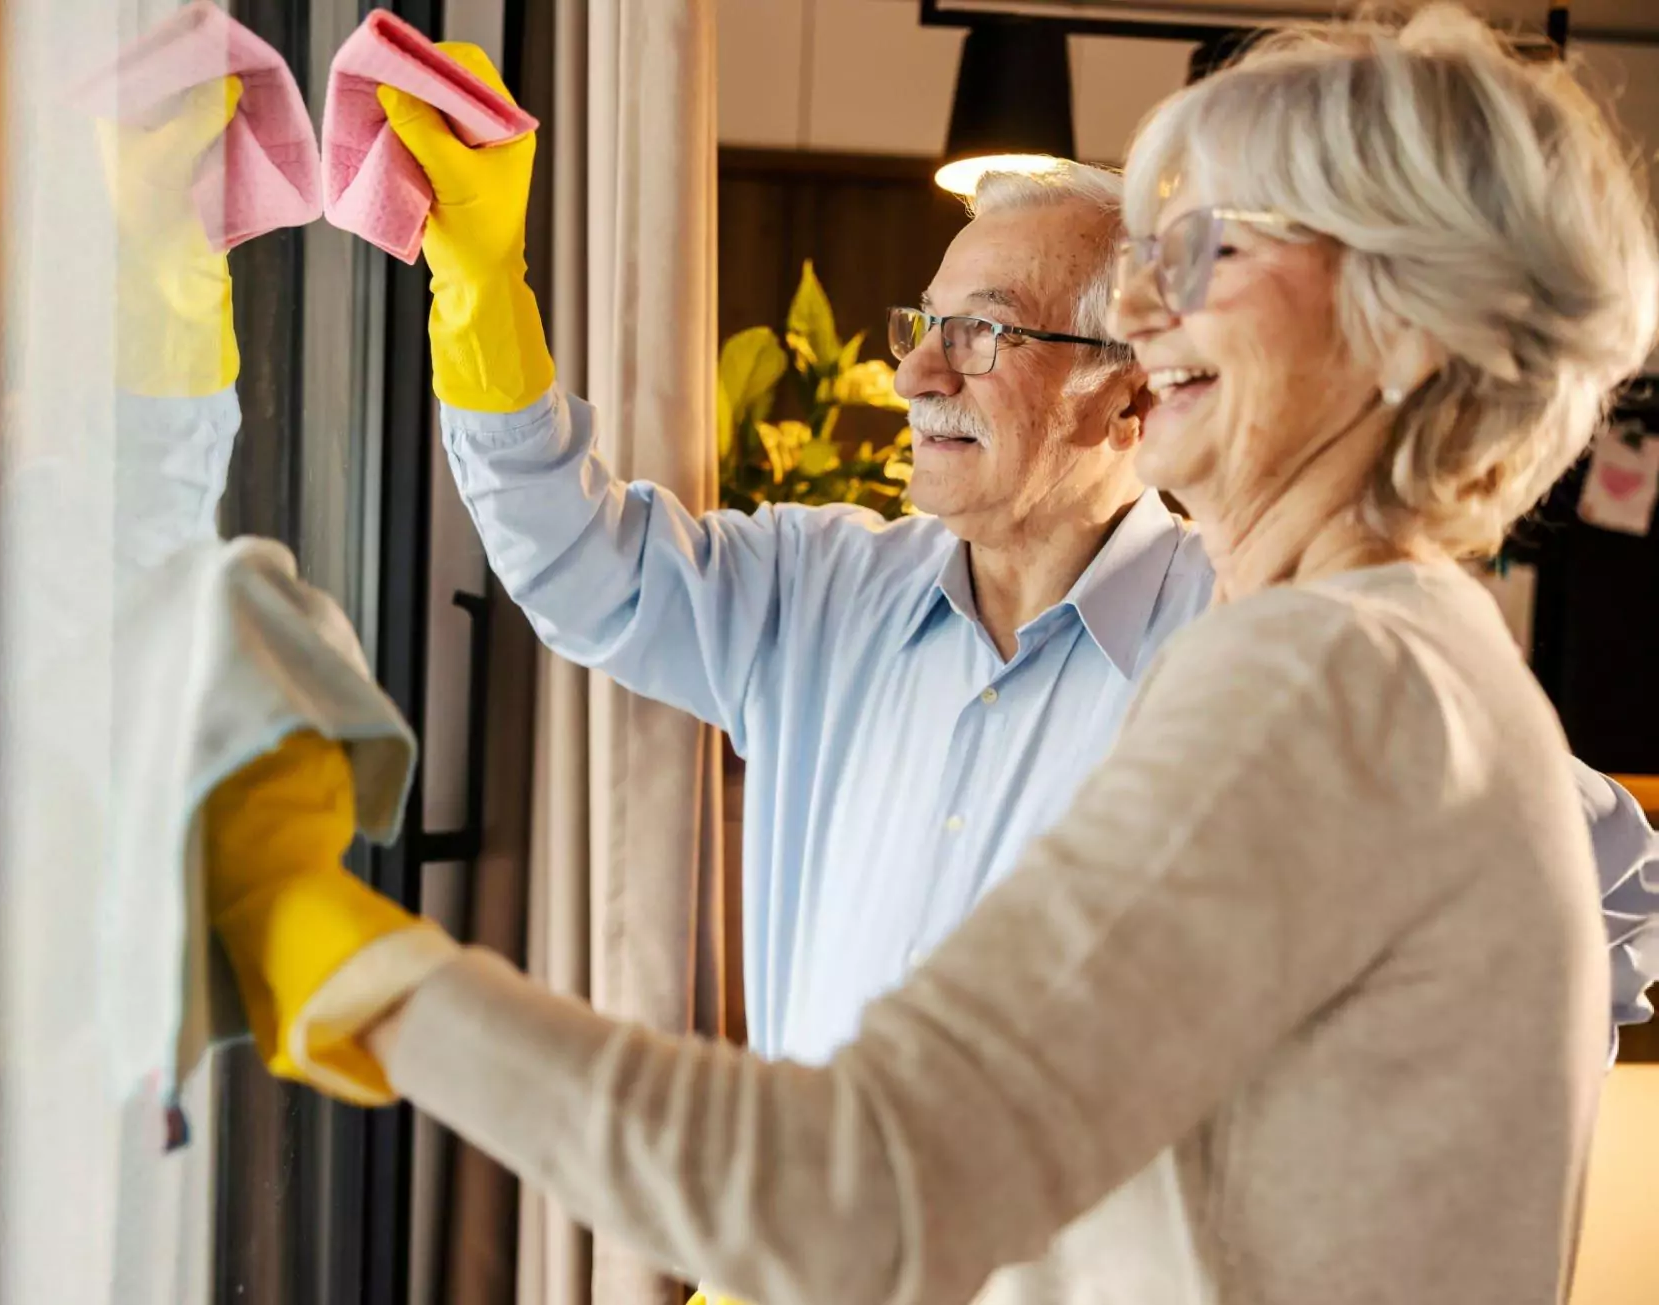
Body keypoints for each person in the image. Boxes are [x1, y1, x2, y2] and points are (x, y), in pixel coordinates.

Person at [202, 7, 1659, 1303]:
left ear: (1400, 327)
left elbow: (861, 1195)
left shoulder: (1323, 674)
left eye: (1209, 250)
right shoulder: (1435, 659)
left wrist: (329, 949)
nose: (1147, 317)